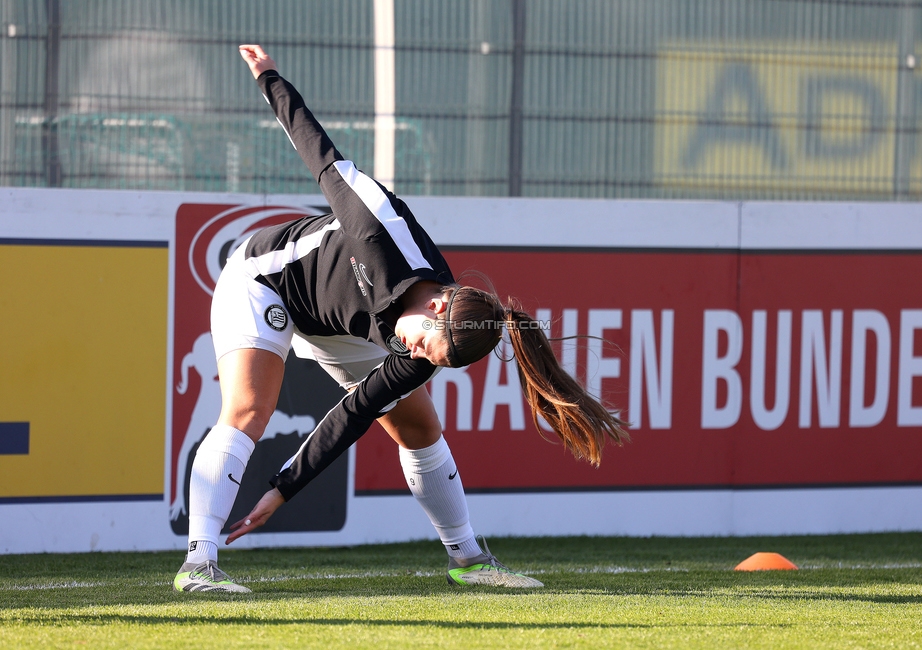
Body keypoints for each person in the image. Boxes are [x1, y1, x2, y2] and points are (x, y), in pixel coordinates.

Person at [172, 44, 628, 594]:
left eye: (429, 363)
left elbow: (353, 413)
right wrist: (269, 76)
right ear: (436, 304)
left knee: (418, 426)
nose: (416, 359)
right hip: (263, 279)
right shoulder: (377, 230)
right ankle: (199, 564)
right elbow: (322, 156)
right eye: (423, 350)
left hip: (339, 326)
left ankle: (470, 560)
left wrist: (281, 491)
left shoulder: (424, 345)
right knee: (249, 408)